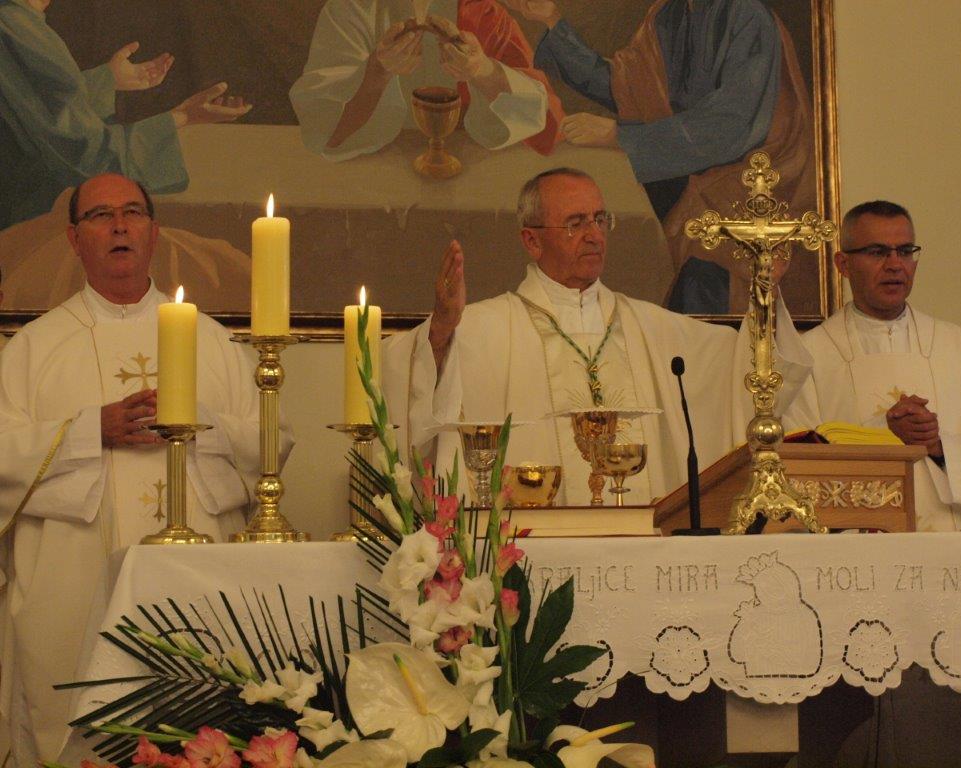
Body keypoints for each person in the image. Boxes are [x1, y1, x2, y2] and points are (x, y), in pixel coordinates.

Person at [0, 173, 288, 764]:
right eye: (100, 216)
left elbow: (271, 447)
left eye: (132, 212)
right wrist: (89, 433)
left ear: (154, 232)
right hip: (72, 587)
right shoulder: (33, 348)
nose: (119, 226)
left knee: (198, 733)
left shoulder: (214, 343)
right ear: (74, 239)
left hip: (196, 589)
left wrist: (196, 422)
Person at [382, 167, 812, 506]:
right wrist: (441, 329)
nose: (594, 235)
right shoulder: (481, 328)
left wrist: (764, 292)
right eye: (575, 223)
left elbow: (744, 369)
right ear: (532, 241)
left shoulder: (652, 327)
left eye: (599, 220)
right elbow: (407, 388)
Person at [502, 0, 816, 314]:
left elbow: (731, 126)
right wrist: (553, 22)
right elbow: (626, 88)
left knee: (701, 296)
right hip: (692, 180)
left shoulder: (748, 17)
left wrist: (619, 136)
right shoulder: (668, 15)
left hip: (749, 191)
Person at [784, 200, 961, 532]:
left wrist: (939, 447)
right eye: (877, 252)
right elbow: (797, 461)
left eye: (905, 251)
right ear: (843, 264)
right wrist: (885, 434)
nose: (895, 265)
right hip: (858, 550)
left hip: (954, 549)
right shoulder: (809, 356)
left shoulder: (959, 348)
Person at [0, 0, 252, 230]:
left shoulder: (17, 21)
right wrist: (182, 116)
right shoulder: (18, 29)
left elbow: (38, 108)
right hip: (21, 229)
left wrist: (108, 79)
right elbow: (85, 154)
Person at [289, 0, 564, 162]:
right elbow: (322, 129)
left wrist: (482, 70)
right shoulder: (351, 10)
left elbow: (546, 124)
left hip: (466, 176)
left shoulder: (484, 14)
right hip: (371, 175)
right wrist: (376, 72)